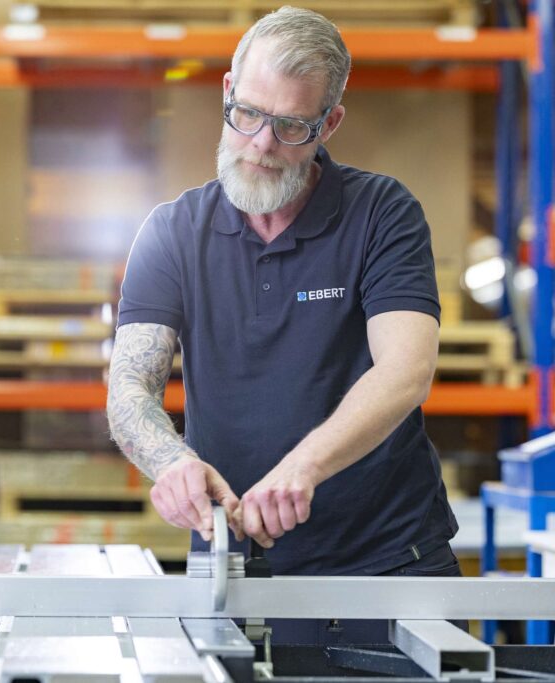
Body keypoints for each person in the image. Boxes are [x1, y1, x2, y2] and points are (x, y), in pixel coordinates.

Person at [106, 6, 460, 644]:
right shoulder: (171, 232)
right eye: (248, 114)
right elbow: (131, 390)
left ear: (330, 123)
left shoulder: (383, 214)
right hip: (232, 569)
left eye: (292, 126)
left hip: (386, 564)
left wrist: (304, 467)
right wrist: (171, 463)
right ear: (227, 91)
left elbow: (406, 371)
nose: (262, 144)